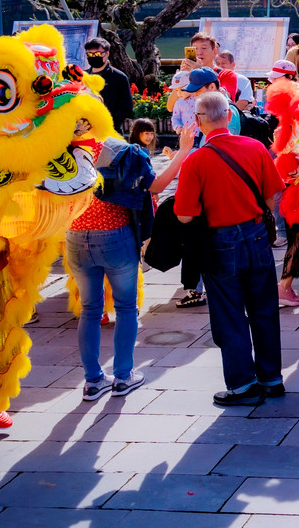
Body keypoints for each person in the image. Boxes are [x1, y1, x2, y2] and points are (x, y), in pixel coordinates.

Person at [173, 92, 285, 406]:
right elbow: (271, 197)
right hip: (256, 234)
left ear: (198, 122)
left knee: (229, 314)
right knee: (264, 309)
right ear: (228, 116)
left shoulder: (196, 159)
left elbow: (184, 215)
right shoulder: (255, 147)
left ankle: (243, 385)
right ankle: (271, 378)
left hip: (220, 241)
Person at [71, 124, 194, 400]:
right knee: (126, 307)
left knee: (89, 310)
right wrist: (183, 151)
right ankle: (123, 376)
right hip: (115, 236)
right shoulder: (118, 151)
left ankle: (93, 381)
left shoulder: (61, 153)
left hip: (75, 237)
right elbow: (157, 185)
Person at [84, 37, 133, 129]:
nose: (93, 57)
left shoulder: (119, 77)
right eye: (90, 54)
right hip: (84, 131)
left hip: (109, 130)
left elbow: (126, 107)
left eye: (97, 53)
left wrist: (108, 123)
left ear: (107, 53)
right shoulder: (82, 77)